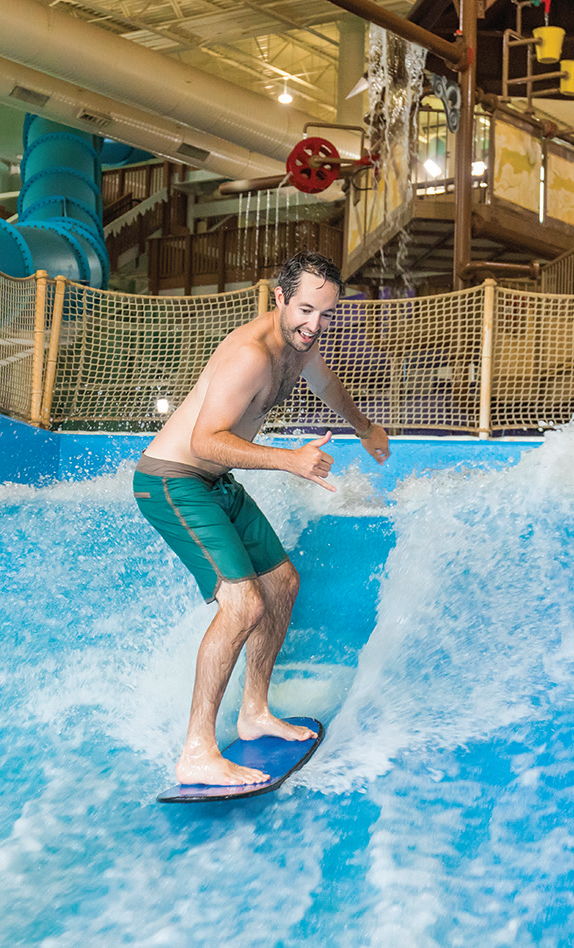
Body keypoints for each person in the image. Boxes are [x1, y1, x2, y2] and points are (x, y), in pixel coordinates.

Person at [133, 251, 390, 786]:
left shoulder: (301, 343)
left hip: (215, 482)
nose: (314, 325)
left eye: (324, 314)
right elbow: (206, 439)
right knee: (242, 604)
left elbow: (326, 385)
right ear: (279, 298)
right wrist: (288, 458)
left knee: (282, 583)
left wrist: (365, 428)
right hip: (173, 482)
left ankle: (253, 712)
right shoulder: (249, 355)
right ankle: (197, 750)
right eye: (304, 310)